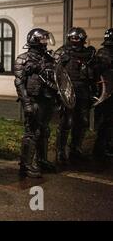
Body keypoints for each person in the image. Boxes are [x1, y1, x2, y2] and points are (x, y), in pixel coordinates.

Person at [14, 28, 59, 178]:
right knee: (32, 132)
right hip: (34, 99)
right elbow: (19, 83)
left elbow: (57, 78)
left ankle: (42, 160)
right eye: (43, 39)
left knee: (44, 130)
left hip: (47, 99)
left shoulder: (49, 58)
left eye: (46, 39)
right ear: (35, 40)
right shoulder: (23, 58)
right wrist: (26, 103)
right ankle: (25, 165)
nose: (45, 42)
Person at [54, 27, 97, 163]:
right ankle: (60, 151)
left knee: (83, 121)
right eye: (72, 38)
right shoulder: (62, 52)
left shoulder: (89, 54)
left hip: (84, 90)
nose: (75, 40)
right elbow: (55, 72)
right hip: (68, 90)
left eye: (77, 38)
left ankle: (76, 148)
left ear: (83, 39)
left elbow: (95, 73)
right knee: (66, 121)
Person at [93, 28, 113, 160]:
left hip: (108, 92)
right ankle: (100, 149)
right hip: (106, 94)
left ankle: (106, 146)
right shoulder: (104, 54)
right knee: (106, 122)